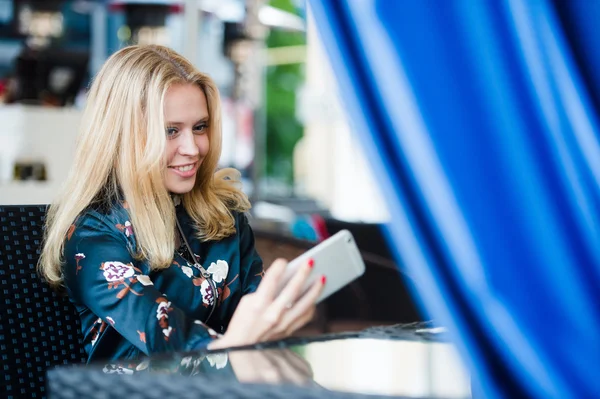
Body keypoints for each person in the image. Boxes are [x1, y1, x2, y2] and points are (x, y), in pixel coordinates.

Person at [38, 44, 325, 362]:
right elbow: (172, 342)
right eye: (171, 131)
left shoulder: (223, 213)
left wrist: (280, 311)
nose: (193, 148)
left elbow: (255, 310)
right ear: (122, 137)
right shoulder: (95, 236)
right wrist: (247, 338)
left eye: (200, 127)